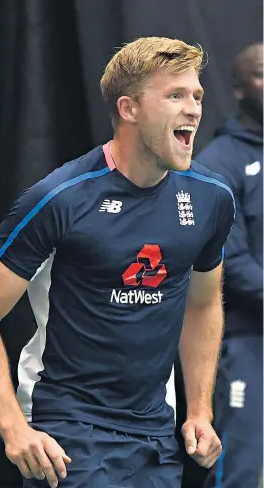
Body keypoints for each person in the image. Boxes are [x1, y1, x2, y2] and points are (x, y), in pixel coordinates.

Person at [0, 37, 235, 488]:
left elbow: (203, 304)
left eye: (197, 96)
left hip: (155, 432)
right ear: (128, 109)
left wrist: (200, 411)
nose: (194, 109)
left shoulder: (211, 198)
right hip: (67, 428)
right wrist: (14, 430)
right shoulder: (58, 198)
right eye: (175, 95)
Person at [196, 43, 263, 488]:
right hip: (247, 341)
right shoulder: (218, 164)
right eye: (262, 74)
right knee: (241, 466)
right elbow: (230, 264)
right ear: (238, 89)